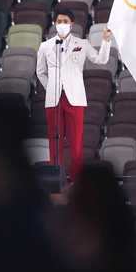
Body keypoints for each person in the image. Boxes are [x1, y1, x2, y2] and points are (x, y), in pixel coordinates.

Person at [36, 9, 112, 183]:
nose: (61, 24)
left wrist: (106, 41)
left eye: (65, 21)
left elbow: (101, 60)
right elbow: (40, 72)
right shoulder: (45, 46)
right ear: (55, 23)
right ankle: (55, 180)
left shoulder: (82, 43)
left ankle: (77, 181)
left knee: (76, 143)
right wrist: (51, 88)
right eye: (59, 21)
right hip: (54, 99)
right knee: (55, 141)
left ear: (71, 24)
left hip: (75, 98)